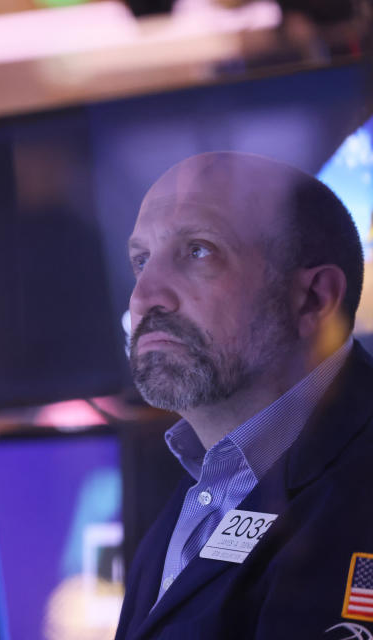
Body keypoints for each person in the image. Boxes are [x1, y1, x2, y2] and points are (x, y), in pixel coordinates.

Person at [115, 151, 373, 639]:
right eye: (141, 260)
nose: (146, 296)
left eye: (198, 251)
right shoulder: (207, 485)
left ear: (314, 298)